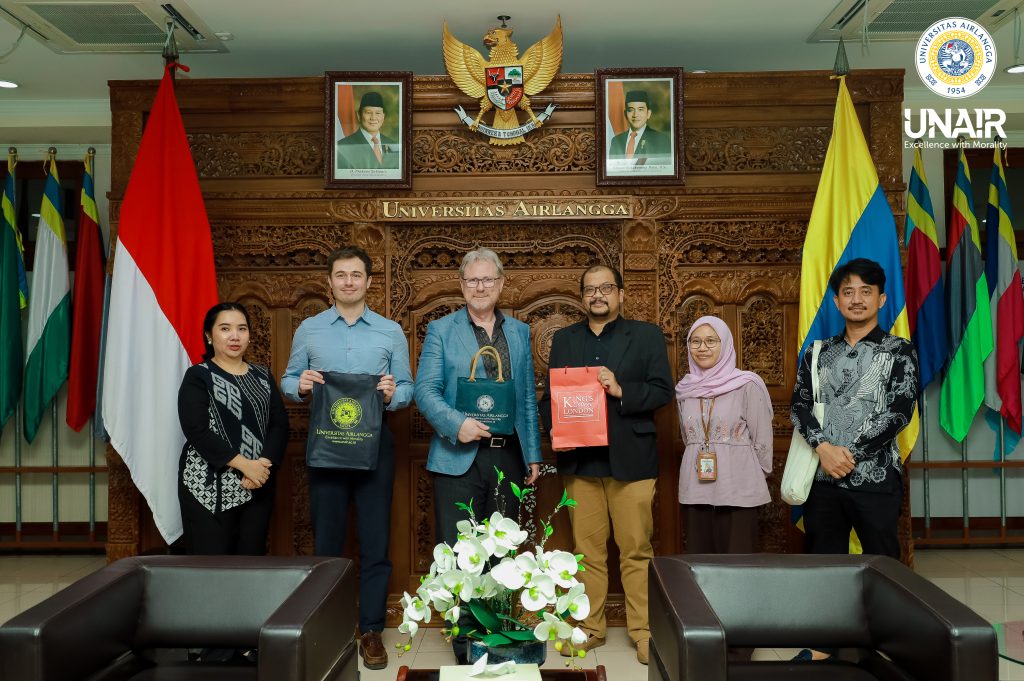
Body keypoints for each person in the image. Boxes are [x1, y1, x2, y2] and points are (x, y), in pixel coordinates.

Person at [281, 245, 413, 670]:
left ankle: (371, 629)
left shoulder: (390, 331)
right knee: (328, 543)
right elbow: (287, 379)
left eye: (357, 275)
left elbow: (408, 387)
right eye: (341, 275)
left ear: (369, 282)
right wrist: (300, 385)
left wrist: (395, 395)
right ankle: (329, 625)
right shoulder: (309, 329)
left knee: (376, 543)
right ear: (331, 281)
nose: (349, 282)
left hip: (376, 448)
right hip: (327, 447)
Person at [539, 264, 673, 665]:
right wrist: (554, 426)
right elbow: (550, 395)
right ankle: (591, 628)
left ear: (621, 294)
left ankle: (644, 632)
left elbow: (663, 390)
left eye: (606, 288)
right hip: (581, 462)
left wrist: (621, 390)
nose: (598, 295)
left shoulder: (646, 336)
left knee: (635, 550)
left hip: (631, 461)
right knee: (587, 553)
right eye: (590, 290)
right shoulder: (564, 339)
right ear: (582, 296)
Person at [414, 248, 543, 661]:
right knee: (459, 552)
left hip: (507, 456)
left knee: (501, 554)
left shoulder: (520, 332)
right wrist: (457, 424)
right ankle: (466, 641)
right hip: (458, 456)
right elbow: (424, 391)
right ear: (462, 285)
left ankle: (499, 634)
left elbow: (525, 398)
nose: (480, 287)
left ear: (502, 284)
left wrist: (534, 455)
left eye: (488, 280)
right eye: (472, 280)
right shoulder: (440, 329)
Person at [789, 258, 918, 661]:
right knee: (823, 562)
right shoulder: (817, 352)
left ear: (881, 299)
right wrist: (824, 449)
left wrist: (852, 454)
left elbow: (900, 410)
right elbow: (799, 404)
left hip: (875, 479)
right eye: (848, 291)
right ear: (836, 300)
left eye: (866, 292)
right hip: (823, 479)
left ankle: (888, 644)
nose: (856, 299)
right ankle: (823, 645)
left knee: (882, 562)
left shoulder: (899, 351)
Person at [177, 302, 288, 556]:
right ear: (209, 335)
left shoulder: (262, 376)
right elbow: (197, 430)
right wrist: (243, 465)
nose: (235, 336)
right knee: (211, 569)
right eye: (225, 328)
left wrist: (260, 466)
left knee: (250, 564)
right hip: (207, 488)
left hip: (257, 483)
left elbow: (279, 424)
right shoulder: (198, 376)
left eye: (242, 328)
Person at [675, 316, 773, 554]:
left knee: (738, 561)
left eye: (711, 341)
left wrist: (752, 478)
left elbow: (762, 439)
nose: (702, 347)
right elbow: (688, 438)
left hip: (739, 485)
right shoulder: (685, 390)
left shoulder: (747, 384)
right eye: (695, 342)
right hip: (696, 487)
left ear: (725, 344)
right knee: (701, 562)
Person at [336, 91, 400, 170]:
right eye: (368, 112)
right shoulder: (342, 147)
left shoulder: (393, 145)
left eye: (378, 113)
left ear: (383, 117)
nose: (373, 118)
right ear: (359, 116)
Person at [608, 90, 671, 162]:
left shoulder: (661, 140)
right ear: (625, 114)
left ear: (648, 113)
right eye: (631, 110)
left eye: (640, 109)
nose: (635, 115)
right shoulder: (616, 141)